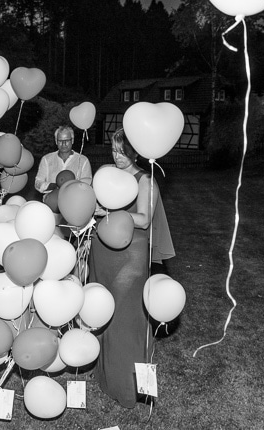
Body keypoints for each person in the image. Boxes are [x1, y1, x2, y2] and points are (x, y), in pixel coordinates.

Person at [88, 127, 173, 408]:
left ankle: (128, 388)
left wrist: (111, 212)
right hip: (103, 252)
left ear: (135, 151)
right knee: (102, 316)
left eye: (123, 151)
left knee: (127, 320)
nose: (118, 156)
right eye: (114, 150)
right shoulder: (108, 175)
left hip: (131, 255)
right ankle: (106, 377)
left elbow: (145, 219)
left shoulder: (145, 179)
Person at [34, 125, 93, 198]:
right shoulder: (46, 159)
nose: (64, 144)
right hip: (50, 203)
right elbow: (38, 183)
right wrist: (55, 186)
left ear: (72, 140)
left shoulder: (83, 161)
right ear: (56, 141)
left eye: (67, 140)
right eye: (60, 141)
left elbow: (87, 185)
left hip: (75, 203)